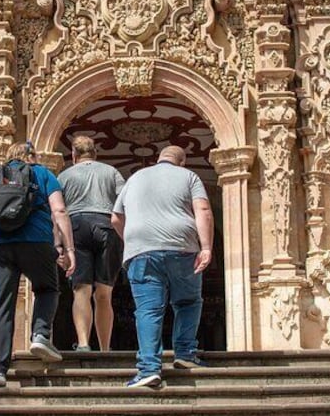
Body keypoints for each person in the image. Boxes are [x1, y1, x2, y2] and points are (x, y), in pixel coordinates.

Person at [0, 140, 76, 388]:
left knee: (2, 306)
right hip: (36, 240)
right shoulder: (43, 173)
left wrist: (3, 217)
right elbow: (59, 211)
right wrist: (69, 249)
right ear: (32, 156)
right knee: (47, 288)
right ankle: (40, 334)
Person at [111, 145, 214, 388]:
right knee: (188, 301)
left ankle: (148, 368)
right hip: (182, 247)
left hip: (141, 251)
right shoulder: (189, 176)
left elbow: (115, 217)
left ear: (159, 159)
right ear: (182, 161)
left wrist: (133, 240)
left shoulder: (135, 178)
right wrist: (206, 247)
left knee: (148, 310)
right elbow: (203, 210)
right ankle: (185, 354)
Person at [57, 135, 125, 352]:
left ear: (74, 155)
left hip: (76, 227)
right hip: (106, 226)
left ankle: (84, 343)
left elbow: (57, 212)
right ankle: (105, 347)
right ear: (95, 153)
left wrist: (59, 245)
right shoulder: (111, 172)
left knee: (81, 290)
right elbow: (125, 201)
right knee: (105, 294)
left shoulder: (64, 175)